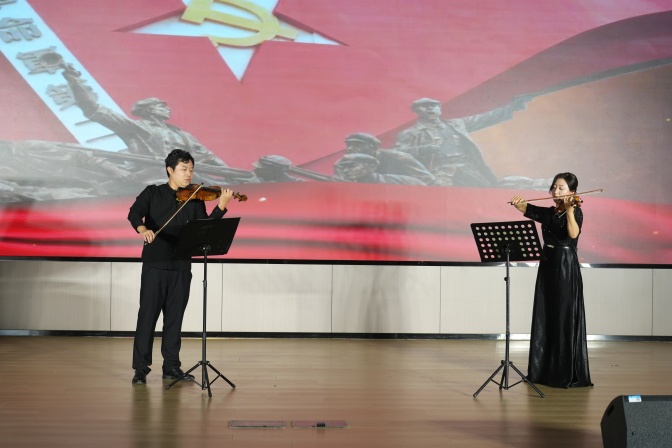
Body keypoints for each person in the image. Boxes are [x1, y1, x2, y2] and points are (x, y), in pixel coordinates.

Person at [127, 149, 236, 385]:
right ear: (170, 170)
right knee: (147, 317)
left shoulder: (195, 198)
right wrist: (143, 229)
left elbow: (205, 227)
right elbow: (134, 213)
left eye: (191, 170)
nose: (189, 174)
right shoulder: (153, 192)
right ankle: (141, 368)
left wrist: (221, 206)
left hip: (181, 266)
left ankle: (171, 367)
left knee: (175, 319)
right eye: (184, 169)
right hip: (155, 264)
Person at [510, 172, 592, 388]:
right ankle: (543, 370)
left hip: (565, 265)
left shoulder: (576, 211)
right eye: (554, 187)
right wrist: (519, 203)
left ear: (572, 192)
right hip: (548, 263)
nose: (556, 191)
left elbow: (573, 234)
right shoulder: (549, 213)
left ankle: (563, 372)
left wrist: (570, 210)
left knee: (563, 314)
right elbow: (529, 209)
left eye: (561, 188)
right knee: (546, 312)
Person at [393, 97, 530, 187]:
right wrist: (422, 149)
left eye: (433, 106)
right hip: (440, 172)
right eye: (425, 106)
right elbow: (397, 153)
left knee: (486, 192)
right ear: (416, 111)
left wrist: (511, 108)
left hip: (469, 168)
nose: (430, 109)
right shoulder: (410, 133)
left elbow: (484, 118)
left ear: (439, 109)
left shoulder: (457, 124)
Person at [343, 132, 435, 185]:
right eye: (349, 145)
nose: (350, 148)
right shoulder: (348, 162)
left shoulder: (399, 158)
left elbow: (428, 180)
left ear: (373, 147)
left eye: (358, 145)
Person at [334, 153, 426, 185]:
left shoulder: (407, 182)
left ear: (371, 167)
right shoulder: (349, 186)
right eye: (344, 167)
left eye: (352, 166)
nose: (346, 170)